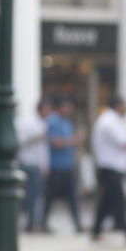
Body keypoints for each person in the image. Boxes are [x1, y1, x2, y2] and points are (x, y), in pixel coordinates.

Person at [90, 96, 126, 242]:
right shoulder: (108, 122)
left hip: (116, 165)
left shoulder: (114, 121)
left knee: (109, 199)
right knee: (118, 199)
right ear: (118, 106)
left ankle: (97, 229)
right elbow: (124, 143)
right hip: (109, 165)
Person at [42, 97, 85, 233]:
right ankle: (43, 222)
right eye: (66, 107)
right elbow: (55, 142)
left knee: (73, 197)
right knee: (50, 196)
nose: (69, 110)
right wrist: (74, 139)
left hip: (68, 165)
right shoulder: (52, 121)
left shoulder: (68, 123)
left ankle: (78, 224)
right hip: (56, 166)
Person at [16, 99, 52, 232]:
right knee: (30, 195)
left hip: (37, 165)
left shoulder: (43, 124)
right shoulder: (29, 123)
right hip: (28, 163)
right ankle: (30, 222)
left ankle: (35, 221)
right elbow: (20, 142)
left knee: (36, 195)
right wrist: (35, 138)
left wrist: (45, 165)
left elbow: (43, 149)